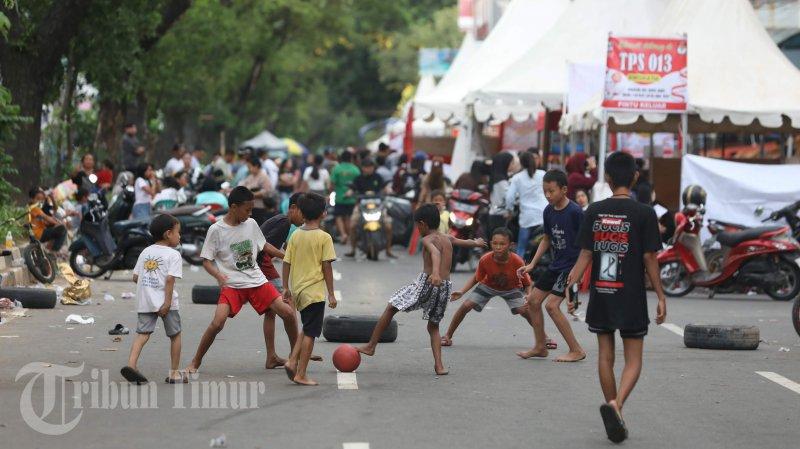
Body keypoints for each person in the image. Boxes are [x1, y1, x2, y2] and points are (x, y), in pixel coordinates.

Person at [566, 151, 667, 443]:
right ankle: (617, 405)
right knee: (633, 359)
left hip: (602, 292)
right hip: (631, 295)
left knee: (605, 356)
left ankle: (615, 412)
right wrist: (660, 296)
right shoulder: (645, 213)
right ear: (635, 177)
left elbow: (584, 254)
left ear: (607, 178)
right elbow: (650, 258)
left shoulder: (594, 211)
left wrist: (570, 289)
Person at [355, 205, 485, 375]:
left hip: (428, 282)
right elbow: (465, 243)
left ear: (422, 224)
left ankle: (371, 346)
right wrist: (476, 242)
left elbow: (435, 254)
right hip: (445, 287)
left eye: (417, 226)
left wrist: (436, 272)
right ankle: (439, 366)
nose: (418, 229)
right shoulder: (447, 238)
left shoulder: (427, 239)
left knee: (392, 306)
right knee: (434, 327)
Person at [186, 187, 300, 376]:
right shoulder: (216, 230)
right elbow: (206, 261)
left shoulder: (251, 224)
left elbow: (264, 245)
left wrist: (285, 256)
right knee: (217, 323)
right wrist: (218, 276)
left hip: (257, 281)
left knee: (288, 313)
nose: (250, 214)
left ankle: (294, 358)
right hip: (232, 285)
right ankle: (195, 361)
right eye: (247, 210)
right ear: (233, 207)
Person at [517, 169, 586, 362]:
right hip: (556, 264)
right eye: (545, 191)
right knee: (532, 301)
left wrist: (577, 274)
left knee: (552, 306)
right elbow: (546, 239)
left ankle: (576, 349)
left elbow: (586, 246)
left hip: (571, 266)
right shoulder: (548, 211)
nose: (547, 195)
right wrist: (532, 264)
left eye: (551, 191)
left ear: (564, 189)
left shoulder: (575, 212)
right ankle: (540, 347)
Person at [443, 228, 544, 357]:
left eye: (502, 244)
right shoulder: (485, 259)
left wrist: (528, 296)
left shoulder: (517, 261)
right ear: (491, 243)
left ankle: (543, 338)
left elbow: (527, 282)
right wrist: (462, 292)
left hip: (511, 289)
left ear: (510, 245)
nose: (498, 247)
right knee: (466, 306)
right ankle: (447, 335)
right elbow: (476, 278)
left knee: (525, 311)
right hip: (488, 286)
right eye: (495, 243)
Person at [121, 214, 184, 384]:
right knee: (175, 335)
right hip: (166, 303)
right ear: (168, 234)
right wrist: (167, 303)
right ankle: (174, 373)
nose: (180, 236)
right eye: (178, 232)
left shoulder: (145, 252)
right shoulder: (173, 254)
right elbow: (170, 280)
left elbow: (136, 277)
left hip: (146, 301)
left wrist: (148, 285)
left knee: (142, 334)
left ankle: (131, 365)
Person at [282, 193, 338, 386]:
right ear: (323, 213)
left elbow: (286, 262)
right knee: (311, 333)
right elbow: (326, 267)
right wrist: (330, 293)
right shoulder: (324, 237)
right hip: (314, 292)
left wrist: (285, 287)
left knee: (306, 327)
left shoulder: (295, 235)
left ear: (302, 212)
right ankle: (301, 373)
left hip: (298, 289)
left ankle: (291, 361)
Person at [344, 157, 395, 259]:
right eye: (366, 167)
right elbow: (352, 188)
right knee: (353, 225)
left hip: (378, 206)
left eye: (370, 167)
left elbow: (385, 187)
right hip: (361, 206)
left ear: (373, 167)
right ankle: (353, 249)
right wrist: (349, 193)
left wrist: (388, 190)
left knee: (388, 226)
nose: (368, 169)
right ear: (362, 168)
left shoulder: (378, 177)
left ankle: (389, 249)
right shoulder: (358, 179)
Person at [506, 150, 547, 257]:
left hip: (527, 218)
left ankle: (519, 270)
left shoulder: (517, 178)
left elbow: (510, 197)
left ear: (522, 163)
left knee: (521, 248)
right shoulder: (542, 174)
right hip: (544, 215)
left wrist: (509, 210)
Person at [329, 150, 360, 244]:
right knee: (349, 217)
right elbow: (358, 183)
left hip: (339, 197)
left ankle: (343, 234)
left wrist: (331, 192)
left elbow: (332, 184)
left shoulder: (336, 168)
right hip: (352, 198)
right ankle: (349, 235)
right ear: (351, 158)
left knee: (338, 216)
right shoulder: (356, 169)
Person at [28, 187, 67, 253]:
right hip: (38, 234)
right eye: (37, 199)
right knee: (62, 229)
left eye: (41, 200)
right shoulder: (35, 208)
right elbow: (47, 218)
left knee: (58, 228)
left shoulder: (35, 207)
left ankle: (49, 250)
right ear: (32, 199)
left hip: (39, 231)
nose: (40, 201)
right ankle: (53, 252)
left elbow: (42, 219)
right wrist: (58, 223)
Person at [238, 156, 273, 225]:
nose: (249, 169)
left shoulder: (263, 176)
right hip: (250, 207)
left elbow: (267, 191)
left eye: (250, 167)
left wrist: (253, 194)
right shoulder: (250, 176)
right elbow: (243, 185)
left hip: (260, 207)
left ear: (256, 166)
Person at [487, 152, 514, 239]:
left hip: (494, 215)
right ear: (504, 164)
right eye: (511, 162)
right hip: (499, 217)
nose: (513, 165)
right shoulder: (501, 182)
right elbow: (509, 197)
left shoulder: (496, 178)